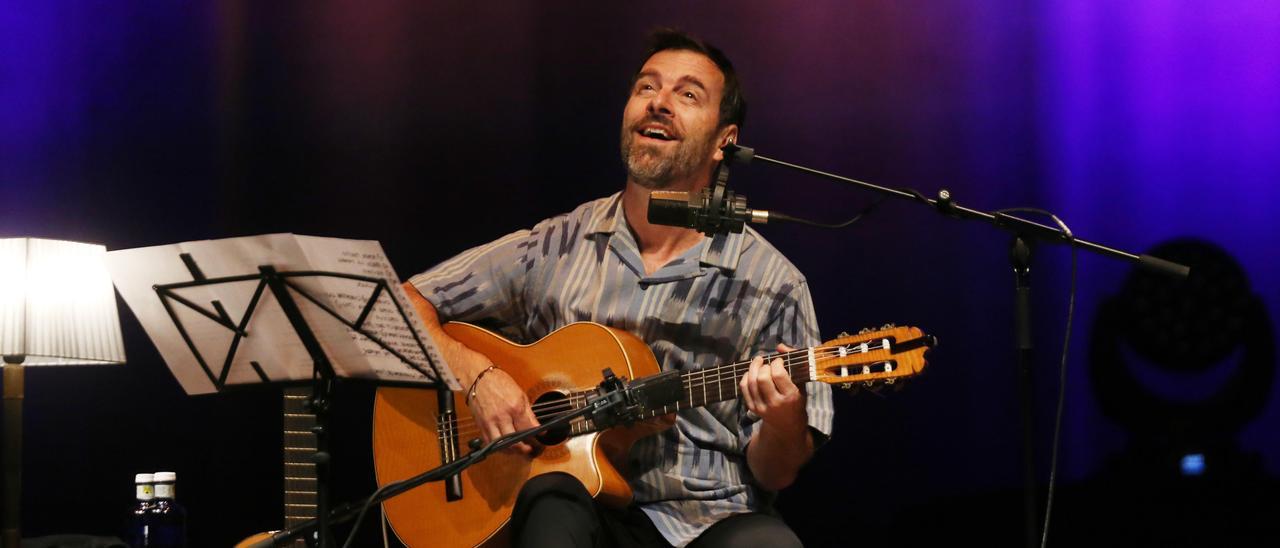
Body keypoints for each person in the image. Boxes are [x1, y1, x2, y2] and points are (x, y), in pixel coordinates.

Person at [405, 29, 833, 548]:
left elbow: (776, 473)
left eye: (687, 94)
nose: (659, 102)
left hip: (710, 520)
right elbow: (406, 303)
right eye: (646, 87)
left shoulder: (773, 283)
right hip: (582, 506)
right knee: (551, 498)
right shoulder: (557, 243)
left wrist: (783, 419)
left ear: (726, 141)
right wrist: (479, 376)